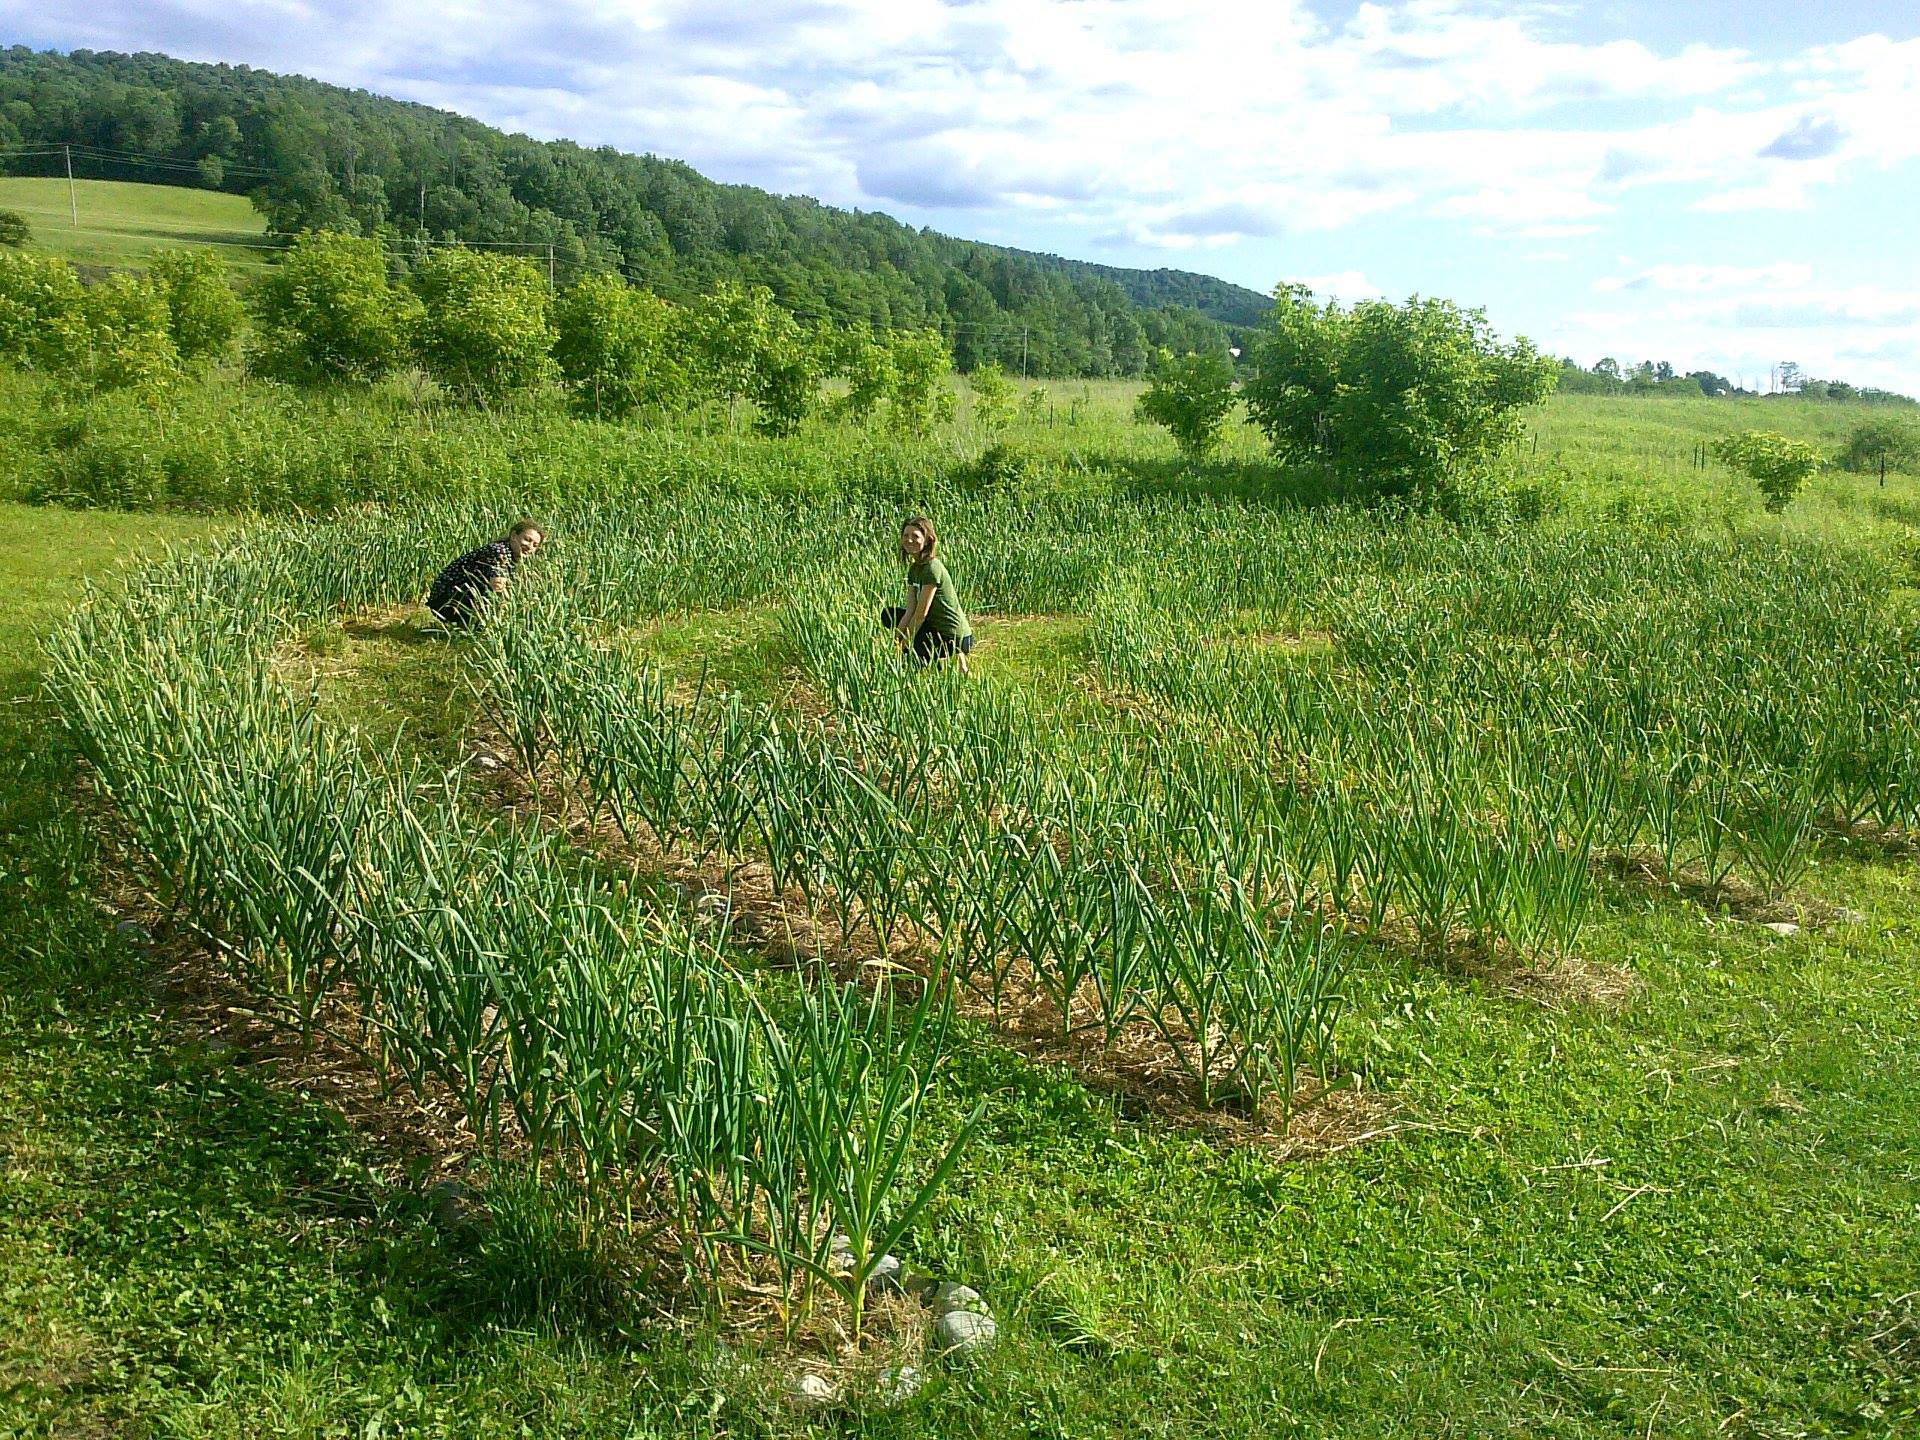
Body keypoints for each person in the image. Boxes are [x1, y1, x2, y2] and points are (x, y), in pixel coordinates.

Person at [883, 515, 972, 669]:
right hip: (934, 627)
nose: (909, 540)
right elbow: (910, 611)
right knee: (889, 614)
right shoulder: (914, 569)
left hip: (954, 636)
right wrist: (897, 642)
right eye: (905, 535)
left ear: (927, 540)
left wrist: (906, 643)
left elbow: (920, 615)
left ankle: (934, 668)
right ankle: (927, 660)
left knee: (912, 649)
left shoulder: (932, 568)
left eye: (915, 536)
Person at [427, 519, 543, 626]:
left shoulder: (512, 555)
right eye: (527, 540)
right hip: (446, 599)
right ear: (513, 536)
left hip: (458, 598)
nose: (530, 547)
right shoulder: (499, 552)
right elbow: (498, 588)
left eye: (535, 545)